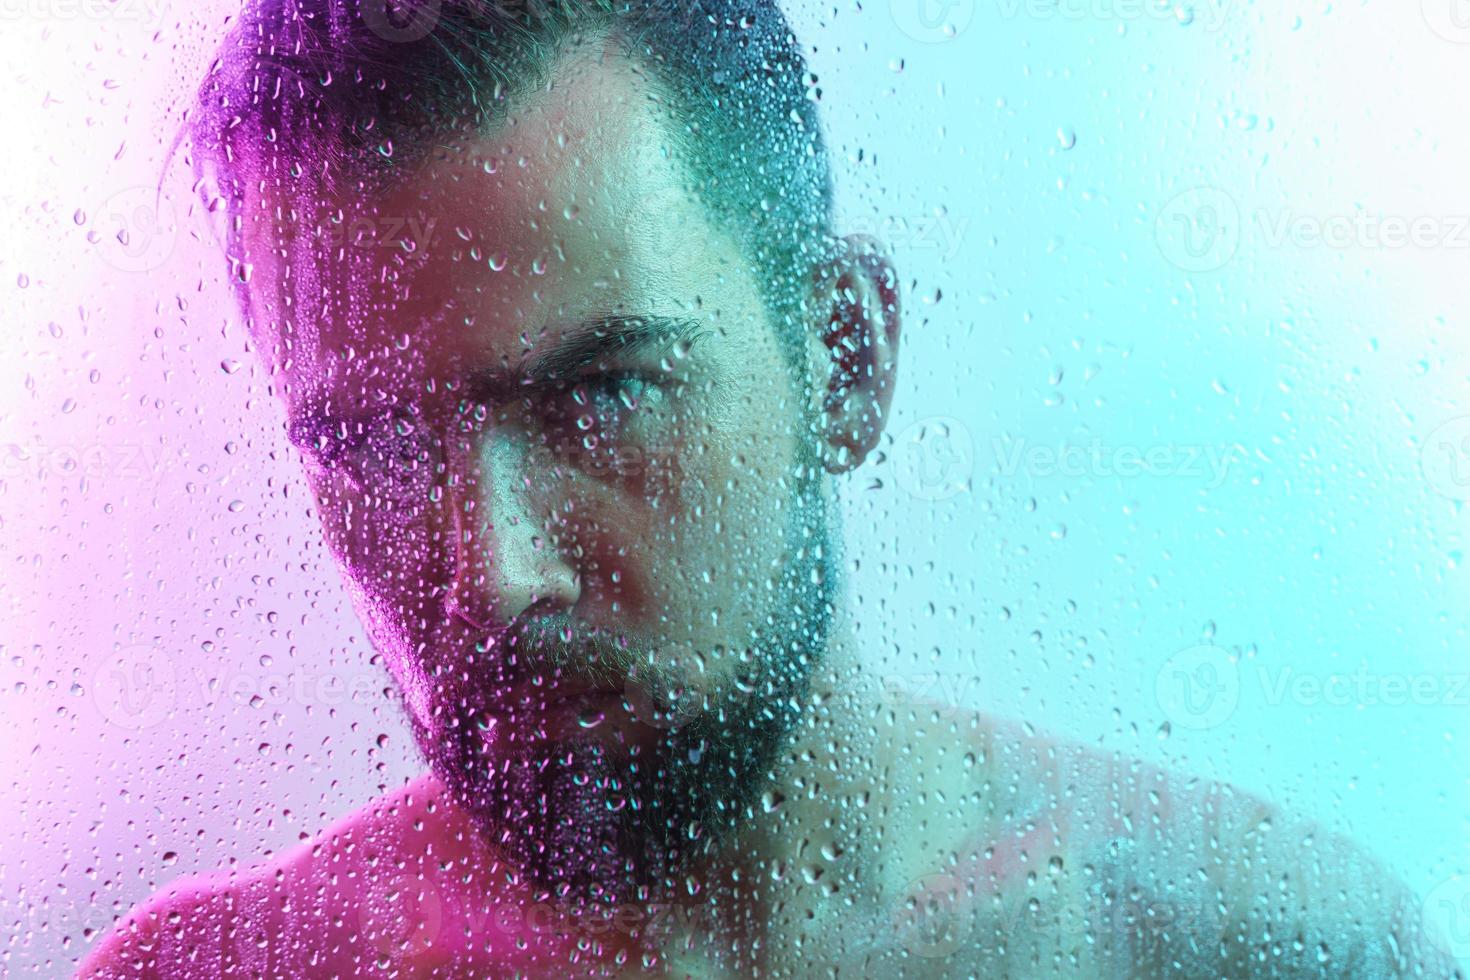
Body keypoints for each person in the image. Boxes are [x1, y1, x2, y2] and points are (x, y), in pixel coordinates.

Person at [78, 0, 1461, 975]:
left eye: (600, 395)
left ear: (842, 361)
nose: (494, 571)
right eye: (371, 449)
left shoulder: (1261, 947)